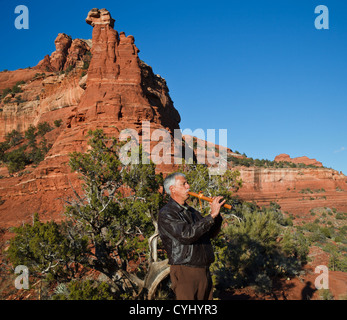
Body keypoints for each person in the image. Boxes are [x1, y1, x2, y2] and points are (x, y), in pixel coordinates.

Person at [158, 172, 225, 300]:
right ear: (172, 189)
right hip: (185, 270)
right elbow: (186, 235)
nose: (188, 186)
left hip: (203, 270)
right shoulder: (167, 213)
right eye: (184, 184)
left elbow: (210, 234)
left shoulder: (192, 212)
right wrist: (211, 216)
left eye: (187, 183)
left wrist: (216, 218)